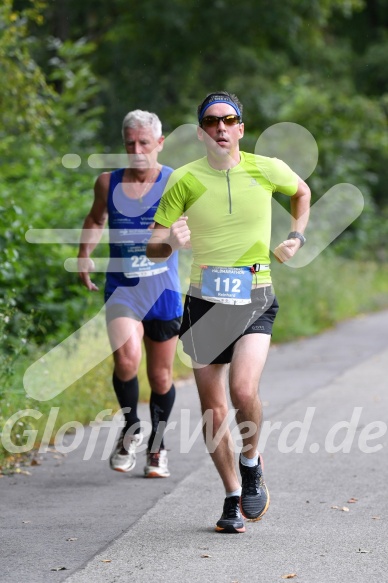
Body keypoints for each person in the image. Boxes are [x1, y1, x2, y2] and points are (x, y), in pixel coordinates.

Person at [146, 91, 311, 531]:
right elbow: (153, 245)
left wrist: (297, 237)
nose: (221, 127)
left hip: (256, 295)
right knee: (213, 409)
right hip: (204, 302)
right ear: (201, 131)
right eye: (212, 121)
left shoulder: (265, 168)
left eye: (229, 119)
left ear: (241, 127)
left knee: (242, 391)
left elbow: (302, 192)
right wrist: (172, 243)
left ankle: (252, 461)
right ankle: (232, 495)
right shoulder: (183, 179)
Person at [78, 109, 182, 478]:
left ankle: (158, 446)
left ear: (160, 143)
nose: (137, 150)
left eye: (144, 143)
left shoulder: (176, 182)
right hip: (123, 288)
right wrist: (84, 256)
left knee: (161, 377)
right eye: (130, 144)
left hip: (163, 291)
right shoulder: (109, 183)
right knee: (126, 361)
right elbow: (95, 219)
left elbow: (198, 230)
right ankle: (130, 427)